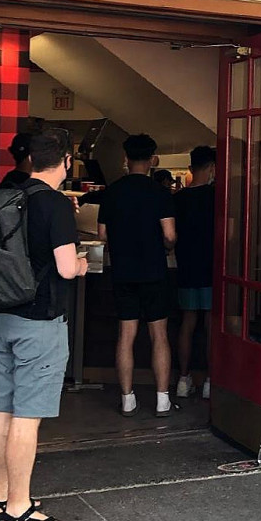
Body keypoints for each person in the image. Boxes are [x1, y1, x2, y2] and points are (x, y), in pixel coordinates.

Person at [0, 126, 87, 521]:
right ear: (67, 161)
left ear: (30, 159)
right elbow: (66, 267)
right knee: (28, 416)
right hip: (40, 321)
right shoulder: (55, 204)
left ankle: (0, 496)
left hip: (5, 315)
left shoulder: (11, 195)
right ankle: (19, 509)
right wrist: (81, 264)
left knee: (2, 406)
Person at [97, 134, 176, 417]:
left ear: (126, 159)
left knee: (126, 334)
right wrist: (164, 246)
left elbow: (102, 235)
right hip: (154, 269)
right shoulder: (160, 193)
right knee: (159, 334)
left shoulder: (112, 192)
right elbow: (170, 235)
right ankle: (163, 399)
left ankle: (127, 399)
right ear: (152, 160)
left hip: (123, 271)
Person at [174, 145, 216, 400]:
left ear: (190, 168)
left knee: (187, 323)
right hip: (212, 267)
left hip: (186, 266)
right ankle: (210, 381)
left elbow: (170, 236)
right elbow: (230, 234)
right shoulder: (217, 197)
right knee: (211, 325)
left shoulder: (178, 199)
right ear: (212, 167)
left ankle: (183, 379)